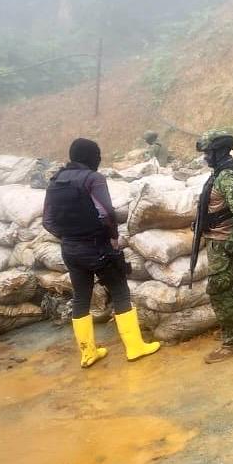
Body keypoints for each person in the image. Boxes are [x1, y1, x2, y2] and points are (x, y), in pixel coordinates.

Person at [43, 138, 160, 368]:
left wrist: (67, 237)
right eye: (97, 156)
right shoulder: (93, 179)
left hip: (70, 250)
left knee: (81, 297)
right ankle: (135, 348)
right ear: (91, 157)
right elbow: (106, 213)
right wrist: (113, 237)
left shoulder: (55, 182)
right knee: (120, 291)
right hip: (97, 247)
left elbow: (47, 221)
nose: (98, 160)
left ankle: (88, 353)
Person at [194, 129, 233, 364]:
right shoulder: (221, 173)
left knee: (220, 291)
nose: (205, 157)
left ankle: (231, 344)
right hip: (220, 240)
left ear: (219, 151)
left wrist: (231, 243)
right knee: (231, 287)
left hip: (222, 243)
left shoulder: (226, 177)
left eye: (208, 152)